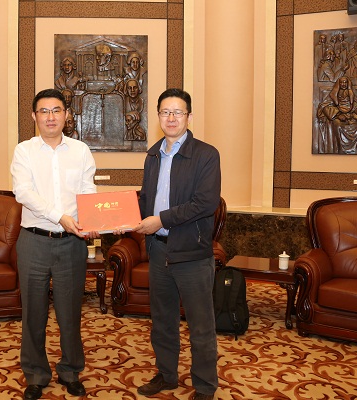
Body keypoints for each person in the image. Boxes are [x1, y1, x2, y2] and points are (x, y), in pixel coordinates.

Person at [10, 88, 99, 400]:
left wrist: (93, 220)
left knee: (69, 313)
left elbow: (87, 191)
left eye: (56, 110)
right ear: (34, 116)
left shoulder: (81, 151)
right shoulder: (24, 151)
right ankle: (36, 374)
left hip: (71, 244)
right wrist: (60, 216)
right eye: (44, 111)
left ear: (67, 115)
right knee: (33, 314)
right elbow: (23, 192)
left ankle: (71, 371)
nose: (50, 117)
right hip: (34, 241)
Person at [133, 88, 221, 400]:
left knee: (200, 325)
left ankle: (205, 386)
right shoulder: (153, 155)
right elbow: (147, 198)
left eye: (178, 112)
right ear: (158, 116)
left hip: (192, 253)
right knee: (162, 321)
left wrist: (161, 220)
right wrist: (124, 217)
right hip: (159, 251)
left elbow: (205, 203)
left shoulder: (206, 154)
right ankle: (167, 375)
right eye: (165, 112)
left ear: (189, 117)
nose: (171, 118)